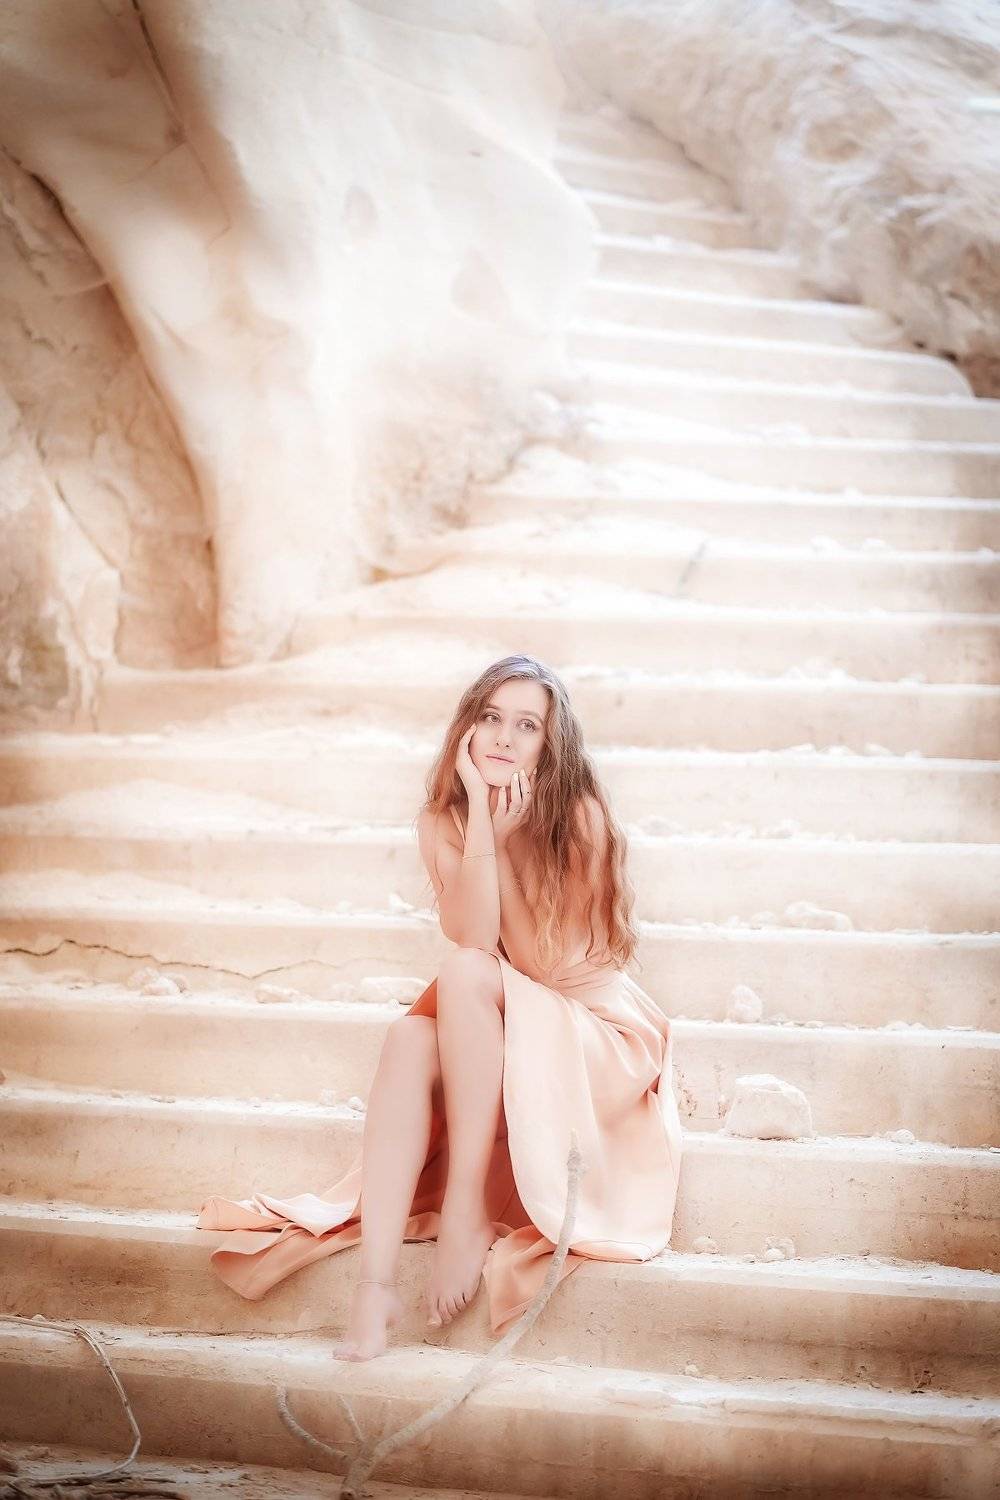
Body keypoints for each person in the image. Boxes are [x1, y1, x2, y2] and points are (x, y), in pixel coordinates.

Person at [196, 653, 684, 1362]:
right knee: (408, 1039)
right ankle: (375, 1289)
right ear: (466, 729)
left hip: (597, 1036)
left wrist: (505, 843)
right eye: (491, 717)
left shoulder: (579, 817)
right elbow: (475, 936)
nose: (504, 737)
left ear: (551, 746)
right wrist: (483, 823)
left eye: (527, 725)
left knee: (462, 975)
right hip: (510, 1016)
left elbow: (541, 964)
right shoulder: (442, 821)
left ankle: (465, 1207)